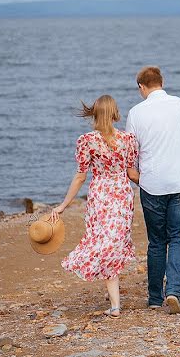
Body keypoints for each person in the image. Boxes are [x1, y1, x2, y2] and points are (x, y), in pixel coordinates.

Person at [54, 95, 139, 318]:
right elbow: (131, 174)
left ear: (95, 113)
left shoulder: (87, 141)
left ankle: (115, 304)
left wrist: (64, 204)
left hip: (100, 196)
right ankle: (115, 304)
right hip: (121, 196)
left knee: (104, 243)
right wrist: (156, 184)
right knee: (113, 244)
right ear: (114, 113)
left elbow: (80, 177)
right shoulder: (128, 140)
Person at [126, 66, 180, 315]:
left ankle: (155, 297)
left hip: (152, 184)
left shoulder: (136, 113)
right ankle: (174, 291)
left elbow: (130, 152)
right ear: (162, 82)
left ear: (141, 87)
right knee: (177, 237)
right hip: (179, 181)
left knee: (156, 241)